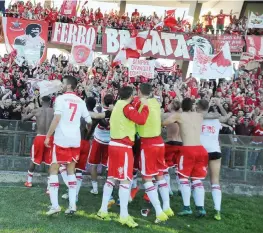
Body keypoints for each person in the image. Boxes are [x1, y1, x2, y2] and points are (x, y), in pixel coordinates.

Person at [97, 86, 149, 228]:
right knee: (125, 181)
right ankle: (124, 216)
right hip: (123, 147)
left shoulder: (118, 106)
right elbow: (141, 120)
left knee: (111, 178)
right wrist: (145, 106)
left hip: (114, 144)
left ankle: (103, 210)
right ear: (130, 95)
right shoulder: (126, 107)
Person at [44, 75, 92, 216]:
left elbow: (57, 118)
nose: (61, 86)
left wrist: (48, 135)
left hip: (61, 139)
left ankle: (55, 206)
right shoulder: (80, 101)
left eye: (63, 83)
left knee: (54, 169)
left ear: (69, 86)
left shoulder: (60, 99)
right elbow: (89, 121)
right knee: (71, 171)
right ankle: (72, 206)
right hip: (75, 140)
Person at [162, 98, 210, 217]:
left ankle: (187, 207)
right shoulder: (199, 115)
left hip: (188, 149)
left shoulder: (179, 115)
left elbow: (164, 123)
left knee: (183, 178)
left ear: (183, 107)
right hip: (201, 149)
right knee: (197, 180)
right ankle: (200, 208)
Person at [136, 83, 173, 223]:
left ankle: (158, 212)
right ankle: (167, 207)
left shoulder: (140, 103)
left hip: (148, 142)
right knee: (160, 175)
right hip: (159, 141)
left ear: (139, 91)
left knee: (147, 178)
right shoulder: (156, 102)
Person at [23, 96, 54, 189]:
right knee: (50, 162)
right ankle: (49, 187)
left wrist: (25, 111)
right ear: (50, 102)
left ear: (41, 101)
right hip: (50, 137)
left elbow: (23, 119)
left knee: (34, 160)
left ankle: (29, 182)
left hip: (40, 137)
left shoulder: (36, 110)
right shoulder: (54, 111)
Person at [200, 102, 223, 221]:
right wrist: (220, 106)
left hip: (202, 151)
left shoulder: (198, 117)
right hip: (215, 150)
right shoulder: (217, 120)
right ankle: (217, 210)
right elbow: (226, 118)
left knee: (197, 180)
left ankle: (201, 208)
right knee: (215, 181)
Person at [88, 94, 114, 195]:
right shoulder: (116, 111)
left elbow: (92, 122)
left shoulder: (97, 109)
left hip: (98, 140)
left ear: (103, 101)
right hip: (109, 141)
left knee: (93, 165)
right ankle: (108, 189)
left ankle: (95, 188)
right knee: (108, 167)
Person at [163, 99, 182, 196]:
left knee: (165, 168)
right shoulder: (182, 115)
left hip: (170, 143)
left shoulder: (167, 116)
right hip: (181, 144)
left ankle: (169, 189)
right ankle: (180, 188)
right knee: (178, 167)